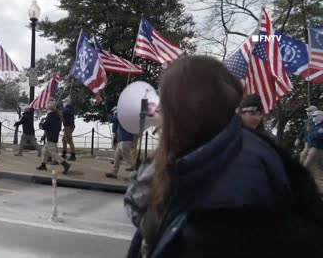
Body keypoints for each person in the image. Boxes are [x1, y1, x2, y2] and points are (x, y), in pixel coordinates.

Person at [124, 55, 323, 258]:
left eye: (165, 103)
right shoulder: (229, 149)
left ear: (186, 110)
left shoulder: (239, 180)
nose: (159, 111)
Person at [36, 100, 71, 174]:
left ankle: (65, 164)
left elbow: (45, 126)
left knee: (54, 154)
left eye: (48, 106)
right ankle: (43, 165)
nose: (47, 107)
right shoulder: (57, 116)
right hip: (54, 136)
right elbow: (58, 128)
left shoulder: (51, 116)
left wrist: (42, 123)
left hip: (51, 137)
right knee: (44, 150)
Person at [105, 114, 135, 179]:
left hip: (125, 140)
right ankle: (114, 173)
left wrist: (109, 116)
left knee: (128, 158)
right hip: (122, 140)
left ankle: (137, 173)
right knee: (117, 158)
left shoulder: (123, 116)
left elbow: (113, 119)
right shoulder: (127, 117)